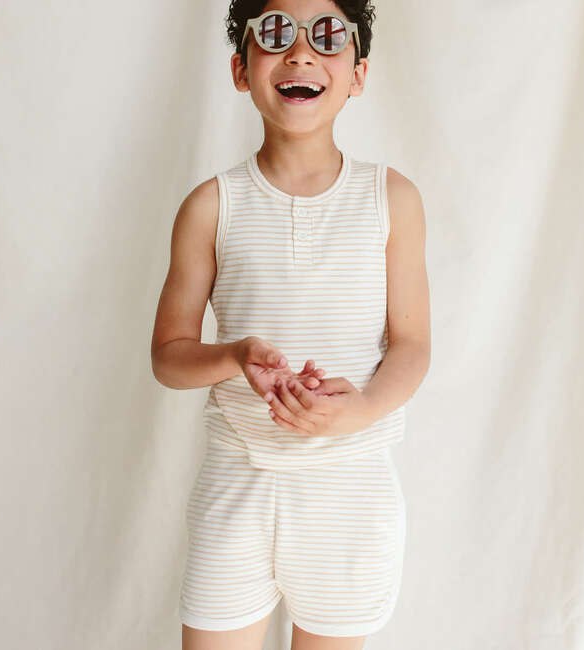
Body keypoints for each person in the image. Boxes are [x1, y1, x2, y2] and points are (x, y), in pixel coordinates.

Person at [151, 0, 431, 648]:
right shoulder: (210, 206)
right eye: (275, 33)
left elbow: (413, 345)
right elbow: (168, 355)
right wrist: (235, 355)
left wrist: (363, 409)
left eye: (326, 36)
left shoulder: (392, 199)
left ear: (358, 74)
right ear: (240, 69)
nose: (300, 52)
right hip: (237, 487)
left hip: (350, 493)